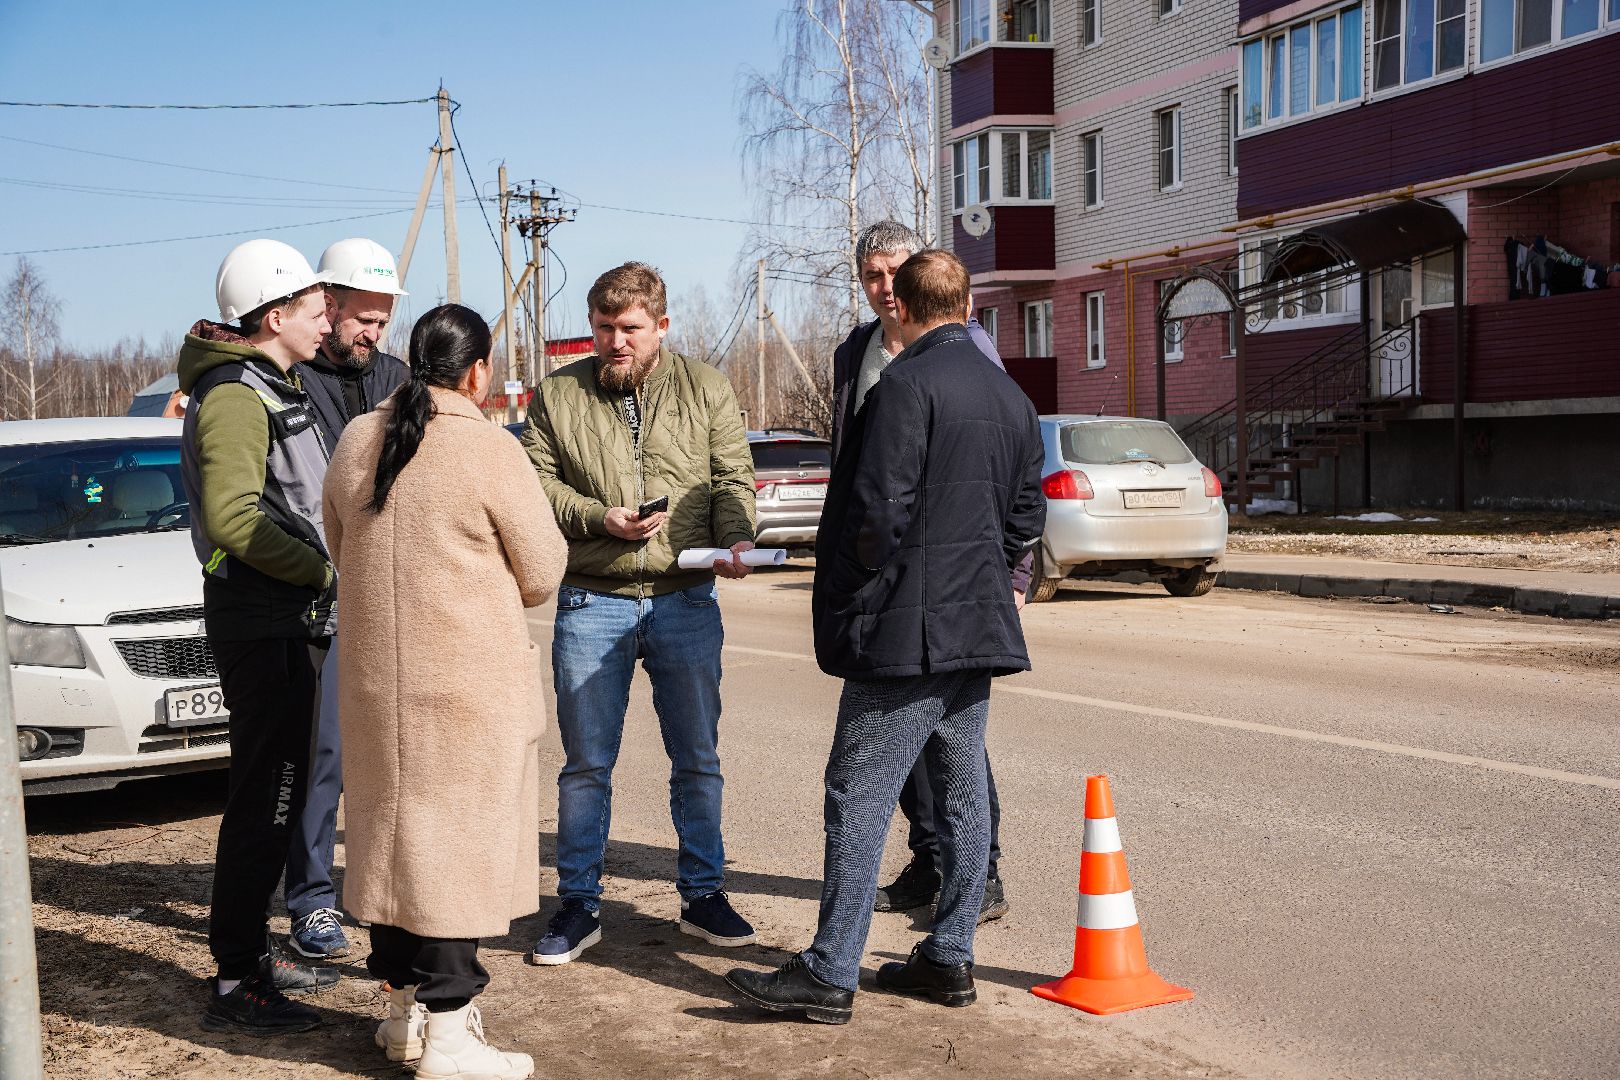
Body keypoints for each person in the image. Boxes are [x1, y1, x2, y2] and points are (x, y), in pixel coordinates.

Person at [725, 250, 1046, 1024]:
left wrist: (850, 591)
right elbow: (1027, 515)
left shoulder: (903, 385)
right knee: (964, 790)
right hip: (976, 625)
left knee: (858, 791)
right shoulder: (1009, 395)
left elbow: (877, 511)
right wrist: (996, 584)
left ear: (898, 306)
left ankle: (831, 971)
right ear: (968, 306)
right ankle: (950, 956)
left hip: (907, 630)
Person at [322, 304, 566, 1079]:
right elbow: (542, 573)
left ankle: (401, 1019)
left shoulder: (359, 438)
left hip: (374, 686)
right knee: (451, 856)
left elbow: (338, 542)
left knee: (389, 844)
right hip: (464, 691)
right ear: (479, 371)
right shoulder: (489, 449)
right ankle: (452, 1039)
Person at [520, 261, 758, 965]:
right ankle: (578, 905)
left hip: (686, 599)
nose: (615, 342)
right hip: (592, 598)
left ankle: (704, 895)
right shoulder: (558, 394)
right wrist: (599, 517)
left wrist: (737, 536)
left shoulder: (707, 387)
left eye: (629, 329)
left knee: (698, 758)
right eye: (603, 328)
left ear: (661, 325)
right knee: (587, 764)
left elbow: (729, 478)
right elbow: (535, 482)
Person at [830, 220, 1027, 923]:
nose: (885, 288)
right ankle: (929, 865)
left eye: (896, 274)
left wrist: (1010, 575)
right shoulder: (856, 352)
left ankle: (979, 879)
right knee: (922, 755)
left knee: (946, 753)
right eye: (873, 276)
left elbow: (1005, 474)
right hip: (895, 587)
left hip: (935, 586)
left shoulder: (968, 354)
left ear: (919, 282)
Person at [177, 238, 341, 1035]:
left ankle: (249, 954)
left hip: (283, 619)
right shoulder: (240, 394)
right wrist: (320, 574)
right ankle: (238, 979)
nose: (329, 321)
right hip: (262, 621)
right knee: (266, 801)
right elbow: (237, 518)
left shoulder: (275, 383)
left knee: (273, 797)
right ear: (276, 317)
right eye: (316, 310)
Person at [282, 237, 409, 961]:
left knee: (390, 757)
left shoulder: (396, 377)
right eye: (364, 318)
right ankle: (309, 899)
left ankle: (381, 890)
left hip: (392, 599)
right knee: (323, 755)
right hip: (323, 598)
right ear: (327, 307)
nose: (373, 333)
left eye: (384, 320)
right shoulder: (294, 379)